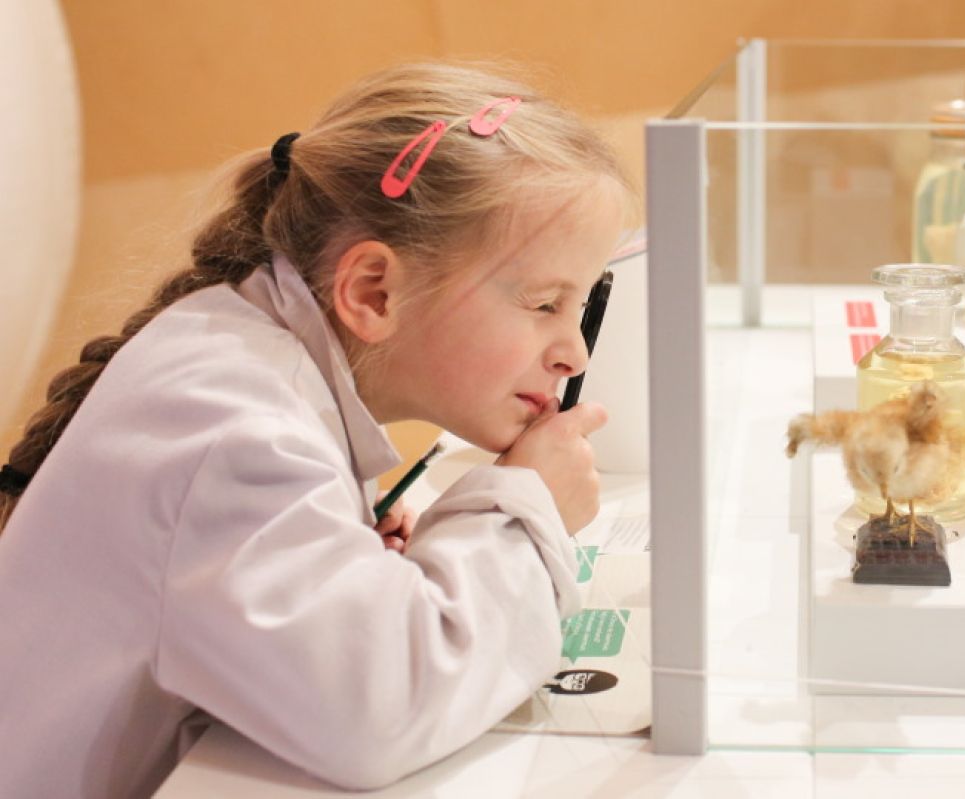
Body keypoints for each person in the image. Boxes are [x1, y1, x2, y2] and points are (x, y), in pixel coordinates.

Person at [0, 61, 631, 798]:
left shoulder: (244, 353)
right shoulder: (235, 431)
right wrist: (523, 511)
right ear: (373, 291)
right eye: (544, 303)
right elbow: (378, 710)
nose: (574, 352)